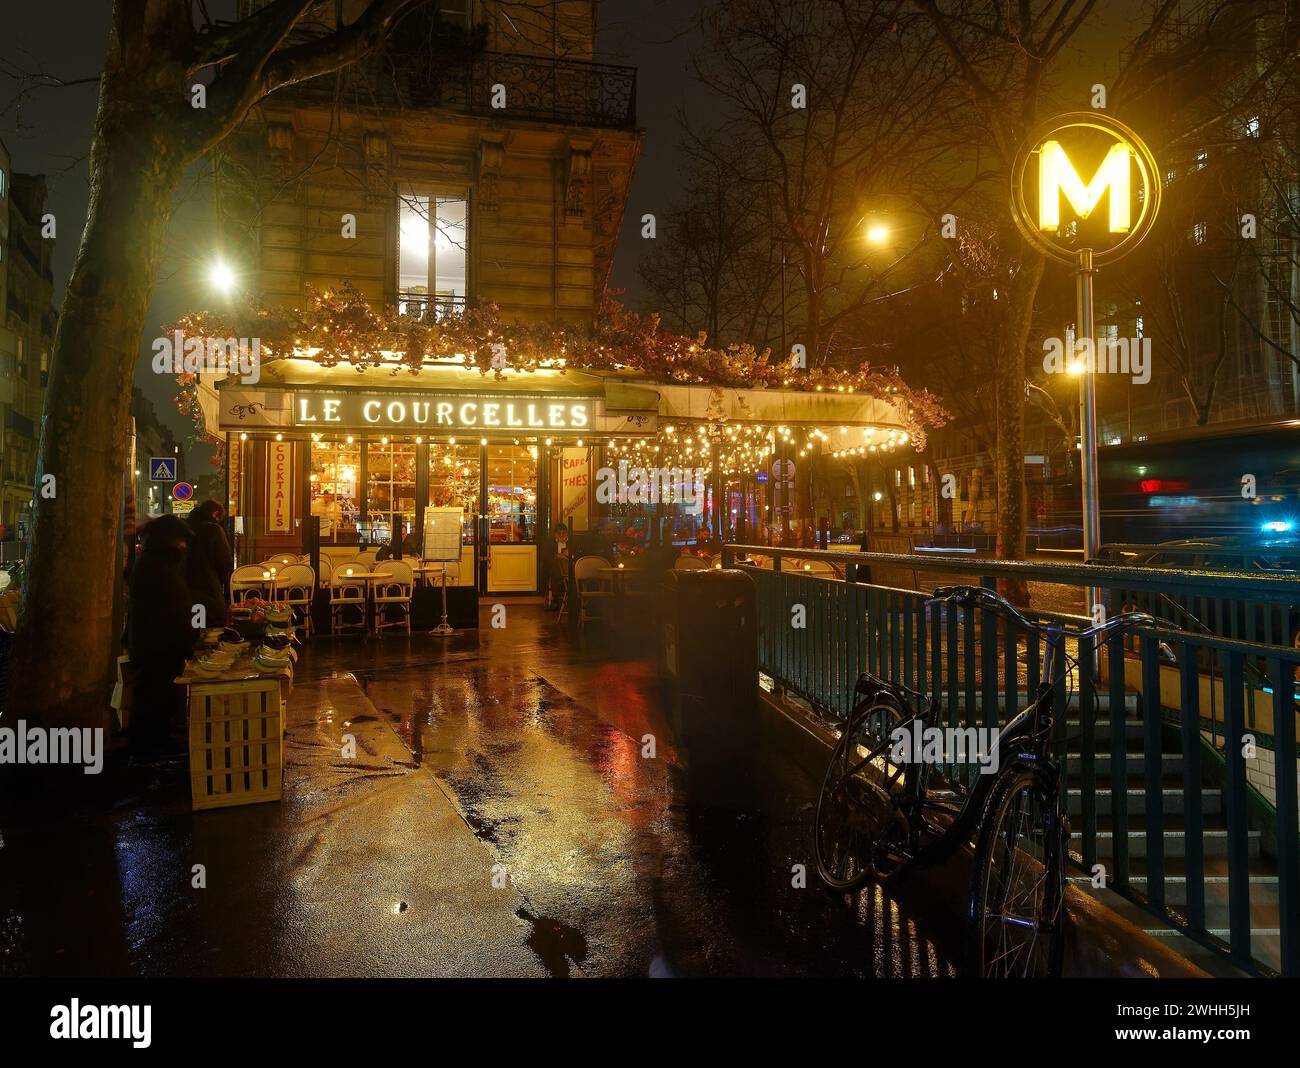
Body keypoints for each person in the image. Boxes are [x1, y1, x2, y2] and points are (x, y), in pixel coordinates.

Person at [127, 515, 196, 761]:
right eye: (181, 541)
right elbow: (167, 608)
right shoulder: (155, 565)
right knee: (152, 696)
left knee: (158, 695)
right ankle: (148, 747)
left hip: (159, 643)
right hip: (157, 644)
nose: (184, 546)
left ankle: (156, 742)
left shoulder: (157, 562)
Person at [186, 499, 233, 626]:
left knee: (191, 628)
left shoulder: (184, 526)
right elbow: (225, 562)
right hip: (208, 588)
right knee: (209, 631)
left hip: (184, 589)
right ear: (216, 513)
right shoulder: (214, 530)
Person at [544, 523, 570, 608]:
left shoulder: (571, 542)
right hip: (556, 569)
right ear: (555, 534)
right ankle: (556, 598)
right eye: (559, 533)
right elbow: (546, 557)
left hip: (569, 567)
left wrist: (568, 554)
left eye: (564, 533)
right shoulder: (551, 543)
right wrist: (557, 555)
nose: (562, 535)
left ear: (567, 533)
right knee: (555, 570)